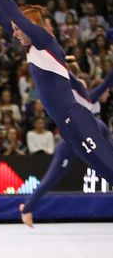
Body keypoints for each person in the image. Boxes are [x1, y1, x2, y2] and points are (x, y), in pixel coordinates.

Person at [0, 0, 113, 212]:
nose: (15, 34)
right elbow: (3, 17)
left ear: (31, 26)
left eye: (19, 29)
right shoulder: (32, 48)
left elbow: (10, 12)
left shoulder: (45, 42)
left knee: (109, 167)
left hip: (77, 118)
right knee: (108, 173)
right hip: (67, 128)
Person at [20, 68, 113, 227]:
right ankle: (27, 208)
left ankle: (27, 207)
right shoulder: (69, 96)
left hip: (87, 136)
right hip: (71, 139)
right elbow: (63, 72)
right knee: (52, 177)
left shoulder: (88, 98)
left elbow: (106, 83)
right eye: (79, 84)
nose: (82, 84)